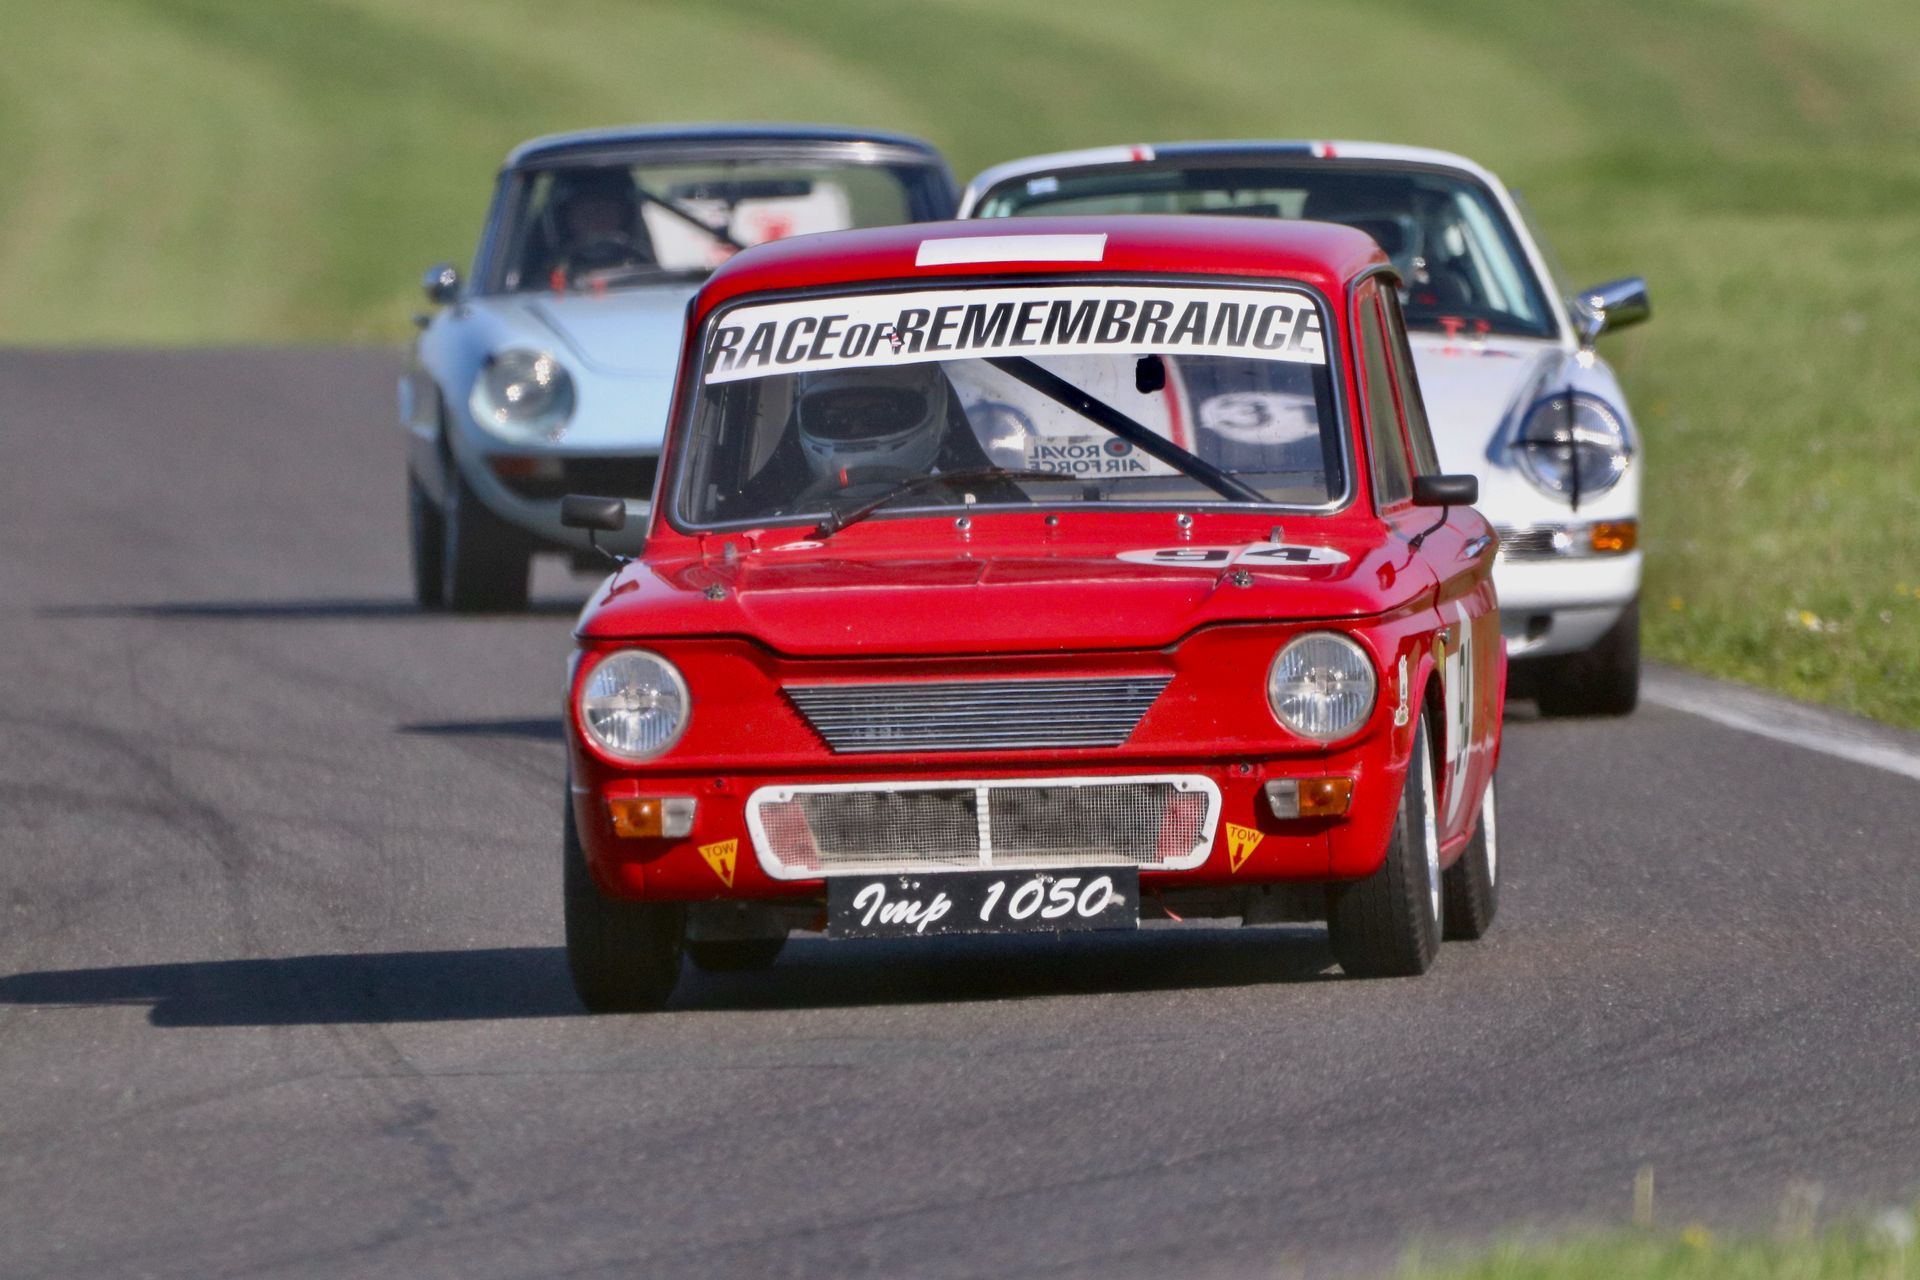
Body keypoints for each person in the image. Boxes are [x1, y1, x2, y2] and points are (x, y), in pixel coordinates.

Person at [541, 168, 655, 284]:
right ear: (563, 219)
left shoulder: (650, 277)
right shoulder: (540, 284)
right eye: (586, 214)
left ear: (626, 216)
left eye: (607, 211)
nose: (597, 221)